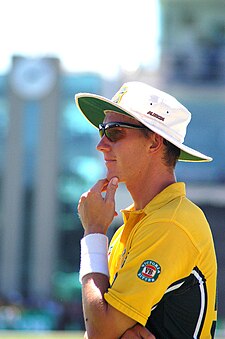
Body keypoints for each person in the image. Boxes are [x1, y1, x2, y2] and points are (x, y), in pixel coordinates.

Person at [75, 81, 217, 338]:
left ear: (154, 142)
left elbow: (100, 331)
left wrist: (94, 232)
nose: (102, 144)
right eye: (102, 130)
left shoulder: (170, 223)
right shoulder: (135, 226)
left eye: (115, 131)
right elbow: (96, 325)